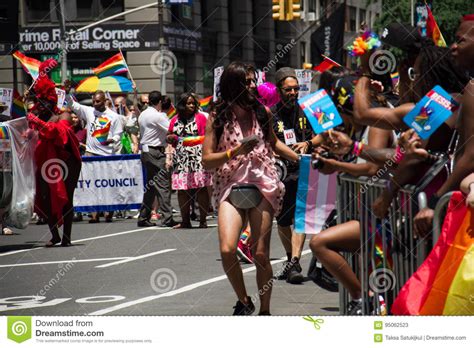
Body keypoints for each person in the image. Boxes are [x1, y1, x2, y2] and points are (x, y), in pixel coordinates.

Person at [202, 61, 299, 315]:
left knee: (261, 254)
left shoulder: (262, 112)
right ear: (233, 84)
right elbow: (206, 159)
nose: (253, 85)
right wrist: (235, 151)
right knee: (226, 249)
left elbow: (275, 144)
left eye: (253, 80)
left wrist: (301, 159)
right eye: (247, 81)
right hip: (230, 183)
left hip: (263, 182)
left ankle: (264, 311)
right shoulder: (217, 116)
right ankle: (244, 300)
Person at [413, 14, 474, 236]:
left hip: (457, 206)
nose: (454, 47)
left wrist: (437, 201)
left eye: (417, 73)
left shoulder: (453, 97)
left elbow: (470, 156)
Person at [28, 59, 82, 246]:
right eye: (38, 102)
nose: (40, 105)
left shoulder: (63, 114)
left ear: (51, 100)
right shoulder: (36, 116)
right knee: (44, 196)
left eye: (43, 101)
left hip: (67, 163)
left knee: (66, 197)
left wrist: (37, 121)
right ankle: (54, 235)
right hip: (45, 162)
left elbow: (58, 133)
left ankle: (66, 237)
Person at [270, 67, 314, 284]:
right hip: (280, 174)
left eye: (296, 89)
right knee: (283, 220)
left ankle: (295, 261)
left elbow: (326, 134)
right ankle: (290, 259)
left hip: (305, 171)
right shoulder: (271, 114)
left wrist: (309, 143)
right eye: (289, 89)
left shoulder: (308, 110)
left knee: (300, 218)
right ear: (279, 90)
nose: (294, 93)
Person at [65, 83, 123, 223]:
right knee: (92, 184)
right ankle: (94, 215)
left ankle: (109, 212)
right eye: (94, 101)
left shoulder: (113, 116)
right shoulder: (89, 111)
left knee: (107, 185)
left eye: (98, 101)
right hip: (90, 154)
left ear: (104, 101)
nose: (95, 104)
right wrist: (67, 93)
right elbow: (74, 106)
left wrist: (112, 140)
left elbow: (118, 134)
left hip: (107, 155)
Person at [167, 93, 212, 229]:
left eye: (193, 103)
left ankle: (203, 220)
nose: (192, 105)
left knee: (202, 188)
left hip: (198, 156)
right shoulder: (174, 120)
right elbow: (169, 135)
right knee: (182, 190)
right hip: (181, 158)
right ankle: (185, 221)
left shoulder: (201, 118)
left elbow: (209, 135)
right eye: (188, 103)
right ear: (182, 105)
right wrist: (171, 138)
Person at [137, 90, 178, 228]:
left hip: (146, 151)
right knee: (163, 185)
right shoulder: (158, 116)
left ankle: (143, 217)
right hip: (155, 151)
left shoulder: (143, 113)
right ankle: (167, 218)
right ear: (159, 102)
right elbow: (172, 129)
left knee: (151, 187)